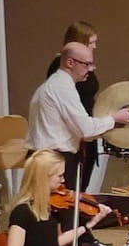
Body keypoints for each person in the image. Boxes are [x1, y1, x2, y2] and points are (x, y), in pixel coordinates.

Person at [25, 42, 129, 246]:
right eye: (87, 64)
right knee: (63, 219)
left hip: (46, 158)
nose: (91, 69)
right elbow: (85, 129)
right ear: (70, 62)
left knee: (55, 218)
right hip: (54, 160)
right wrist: (114, 119)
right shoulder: (61, 88)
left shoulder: (54, 85)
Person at [41, 21, 103, 197]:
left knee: (80, 190)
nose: (95, 47)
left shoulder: (80, 68)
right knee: (69, 192)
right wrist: (111, 120)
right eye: (91, 42)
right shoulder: (60, 71)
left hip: (83, 131)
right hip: (70, 136)